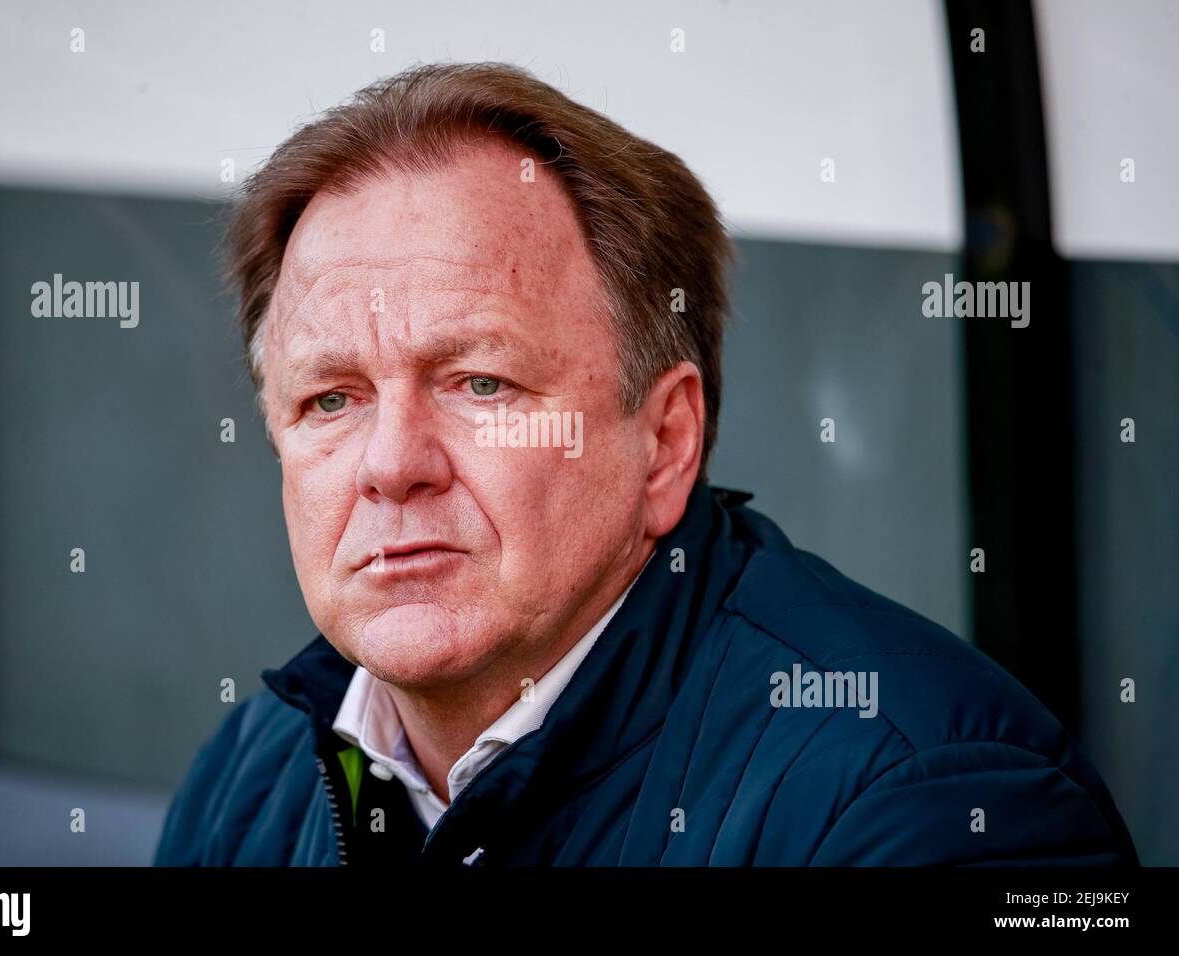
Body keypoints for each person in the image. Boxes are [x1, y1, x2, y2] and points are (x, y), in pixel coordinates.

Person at [153, 62, 1136, 866]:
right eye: (331, 397)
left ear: (664, 442)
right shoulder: (256, 771)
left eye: (479, 382)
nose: (391, 463)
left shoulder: (926, 805)